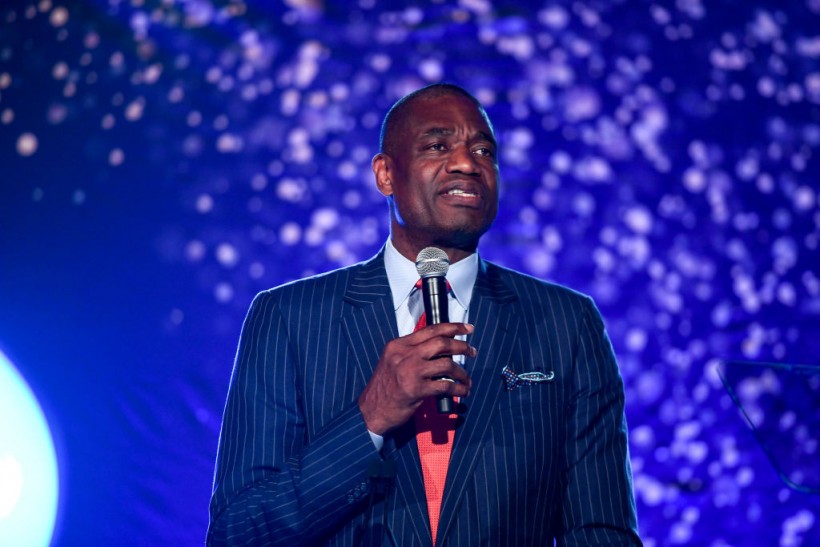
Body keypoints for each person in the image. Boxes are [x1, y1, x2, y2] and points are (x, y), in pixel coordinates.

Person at [207, 83, 641, 546]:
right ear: (385, 175)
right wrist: (369, 419)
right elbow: (239, 532)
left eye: (484, 150)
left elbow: (602, 531)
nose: (467, 163)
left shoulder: (567, 323)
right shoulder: (288, 318)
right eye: (437, 145)